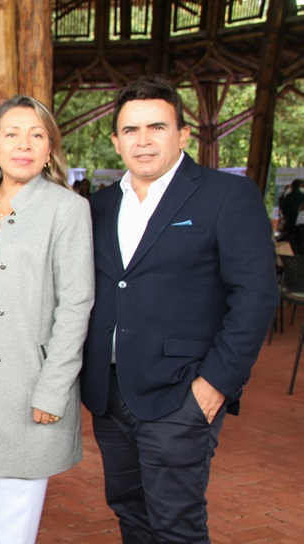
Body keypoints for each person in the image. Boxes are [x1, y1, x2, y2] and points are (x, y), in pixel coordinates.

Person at [81, 76, 279, 544]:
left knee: (176, 525)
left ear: (183, 134)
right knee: (130, 513)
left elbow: (255, 295)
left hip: (180, 392)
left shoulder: (226, 196)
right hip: (109, 392)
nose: (143, 139)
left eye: (157, 126)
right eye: (130, 130)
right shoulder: (98, 206)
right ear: (115, 140)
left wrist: (215, 385)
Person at [0, 95, 94, 544]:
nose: (23, 144)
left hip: (29, 368)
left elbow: (76, 303)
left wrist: (54, 386)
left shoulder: (67, 209)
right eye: (11, 134)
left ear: (50, 148)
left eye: (36, 135)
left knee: (17, 491)